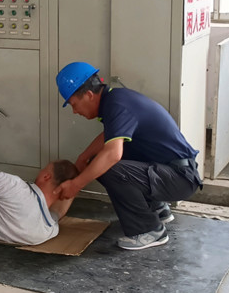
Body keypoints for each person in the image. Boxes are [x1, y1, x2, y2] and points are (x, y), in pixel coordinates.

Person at [55, 62, 203, 251]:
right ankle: (157, 209)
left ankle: (149, 230)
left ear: (89, 95)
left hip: (180, 178)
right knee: (99, 161)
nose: (75, 111)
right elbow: (110, 136)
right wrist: (84, 157)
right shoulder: (116, 100)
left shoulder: (117, 105)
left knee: (108, 166)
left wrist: (76, 185)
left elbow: (112, 154)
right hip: (174, 172)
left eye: (74, 104)